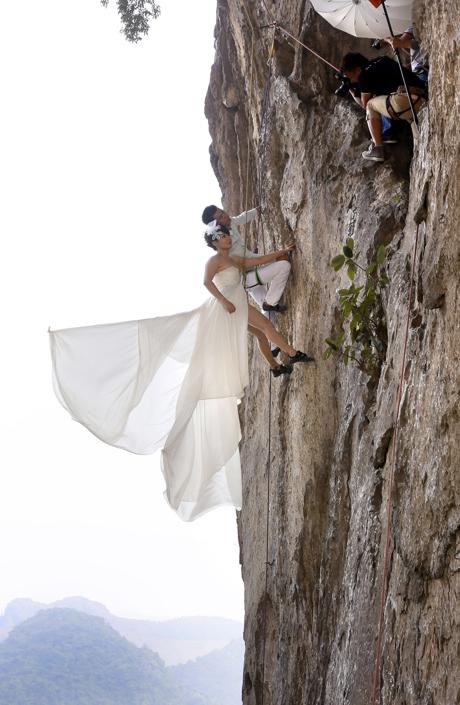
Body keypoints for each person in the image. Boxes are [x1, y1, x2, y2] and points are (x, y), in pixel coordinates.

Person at [49, 224, 313, 522]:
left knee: (260, 334)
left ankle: (276, 366)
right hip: (227, 306)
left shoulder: (235, 259)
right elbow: (206, 283)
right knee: (264, 327)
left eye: (227, 234)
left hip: (234, 303)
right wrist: (225, 301)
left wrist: (282, 252)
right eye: (224, 235)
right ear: (216, 242)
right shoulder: (214, 261)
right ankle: (293, 353)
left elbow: (255, 262)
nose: (227, 237)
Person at [201, 204, 291, 313]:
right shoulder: (225, 243)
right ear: (216, 224)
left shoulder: (230, 222)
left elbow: (242, 217)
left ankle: (268, 304)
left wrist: (256, 211)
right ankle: (270, 303)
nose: (225, 215)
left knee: (266, 311)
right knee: (283, 263)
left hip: (251, 269)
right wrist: (283, 251)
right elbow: (254, 260)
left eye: (222, 212)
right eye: (220, 217)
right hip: (246, 276)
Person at [341, 52, 427, 162]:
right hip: (421, 96)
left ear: (357, 69)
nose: (352, 80)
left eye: (351, 76)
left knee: (370, 105)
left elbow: (364, 104)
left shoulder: (364, 75)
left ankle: (377, 148)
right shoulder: (383, 59)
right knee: (420, 144)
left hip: (406, 100)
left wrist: (352, 91)